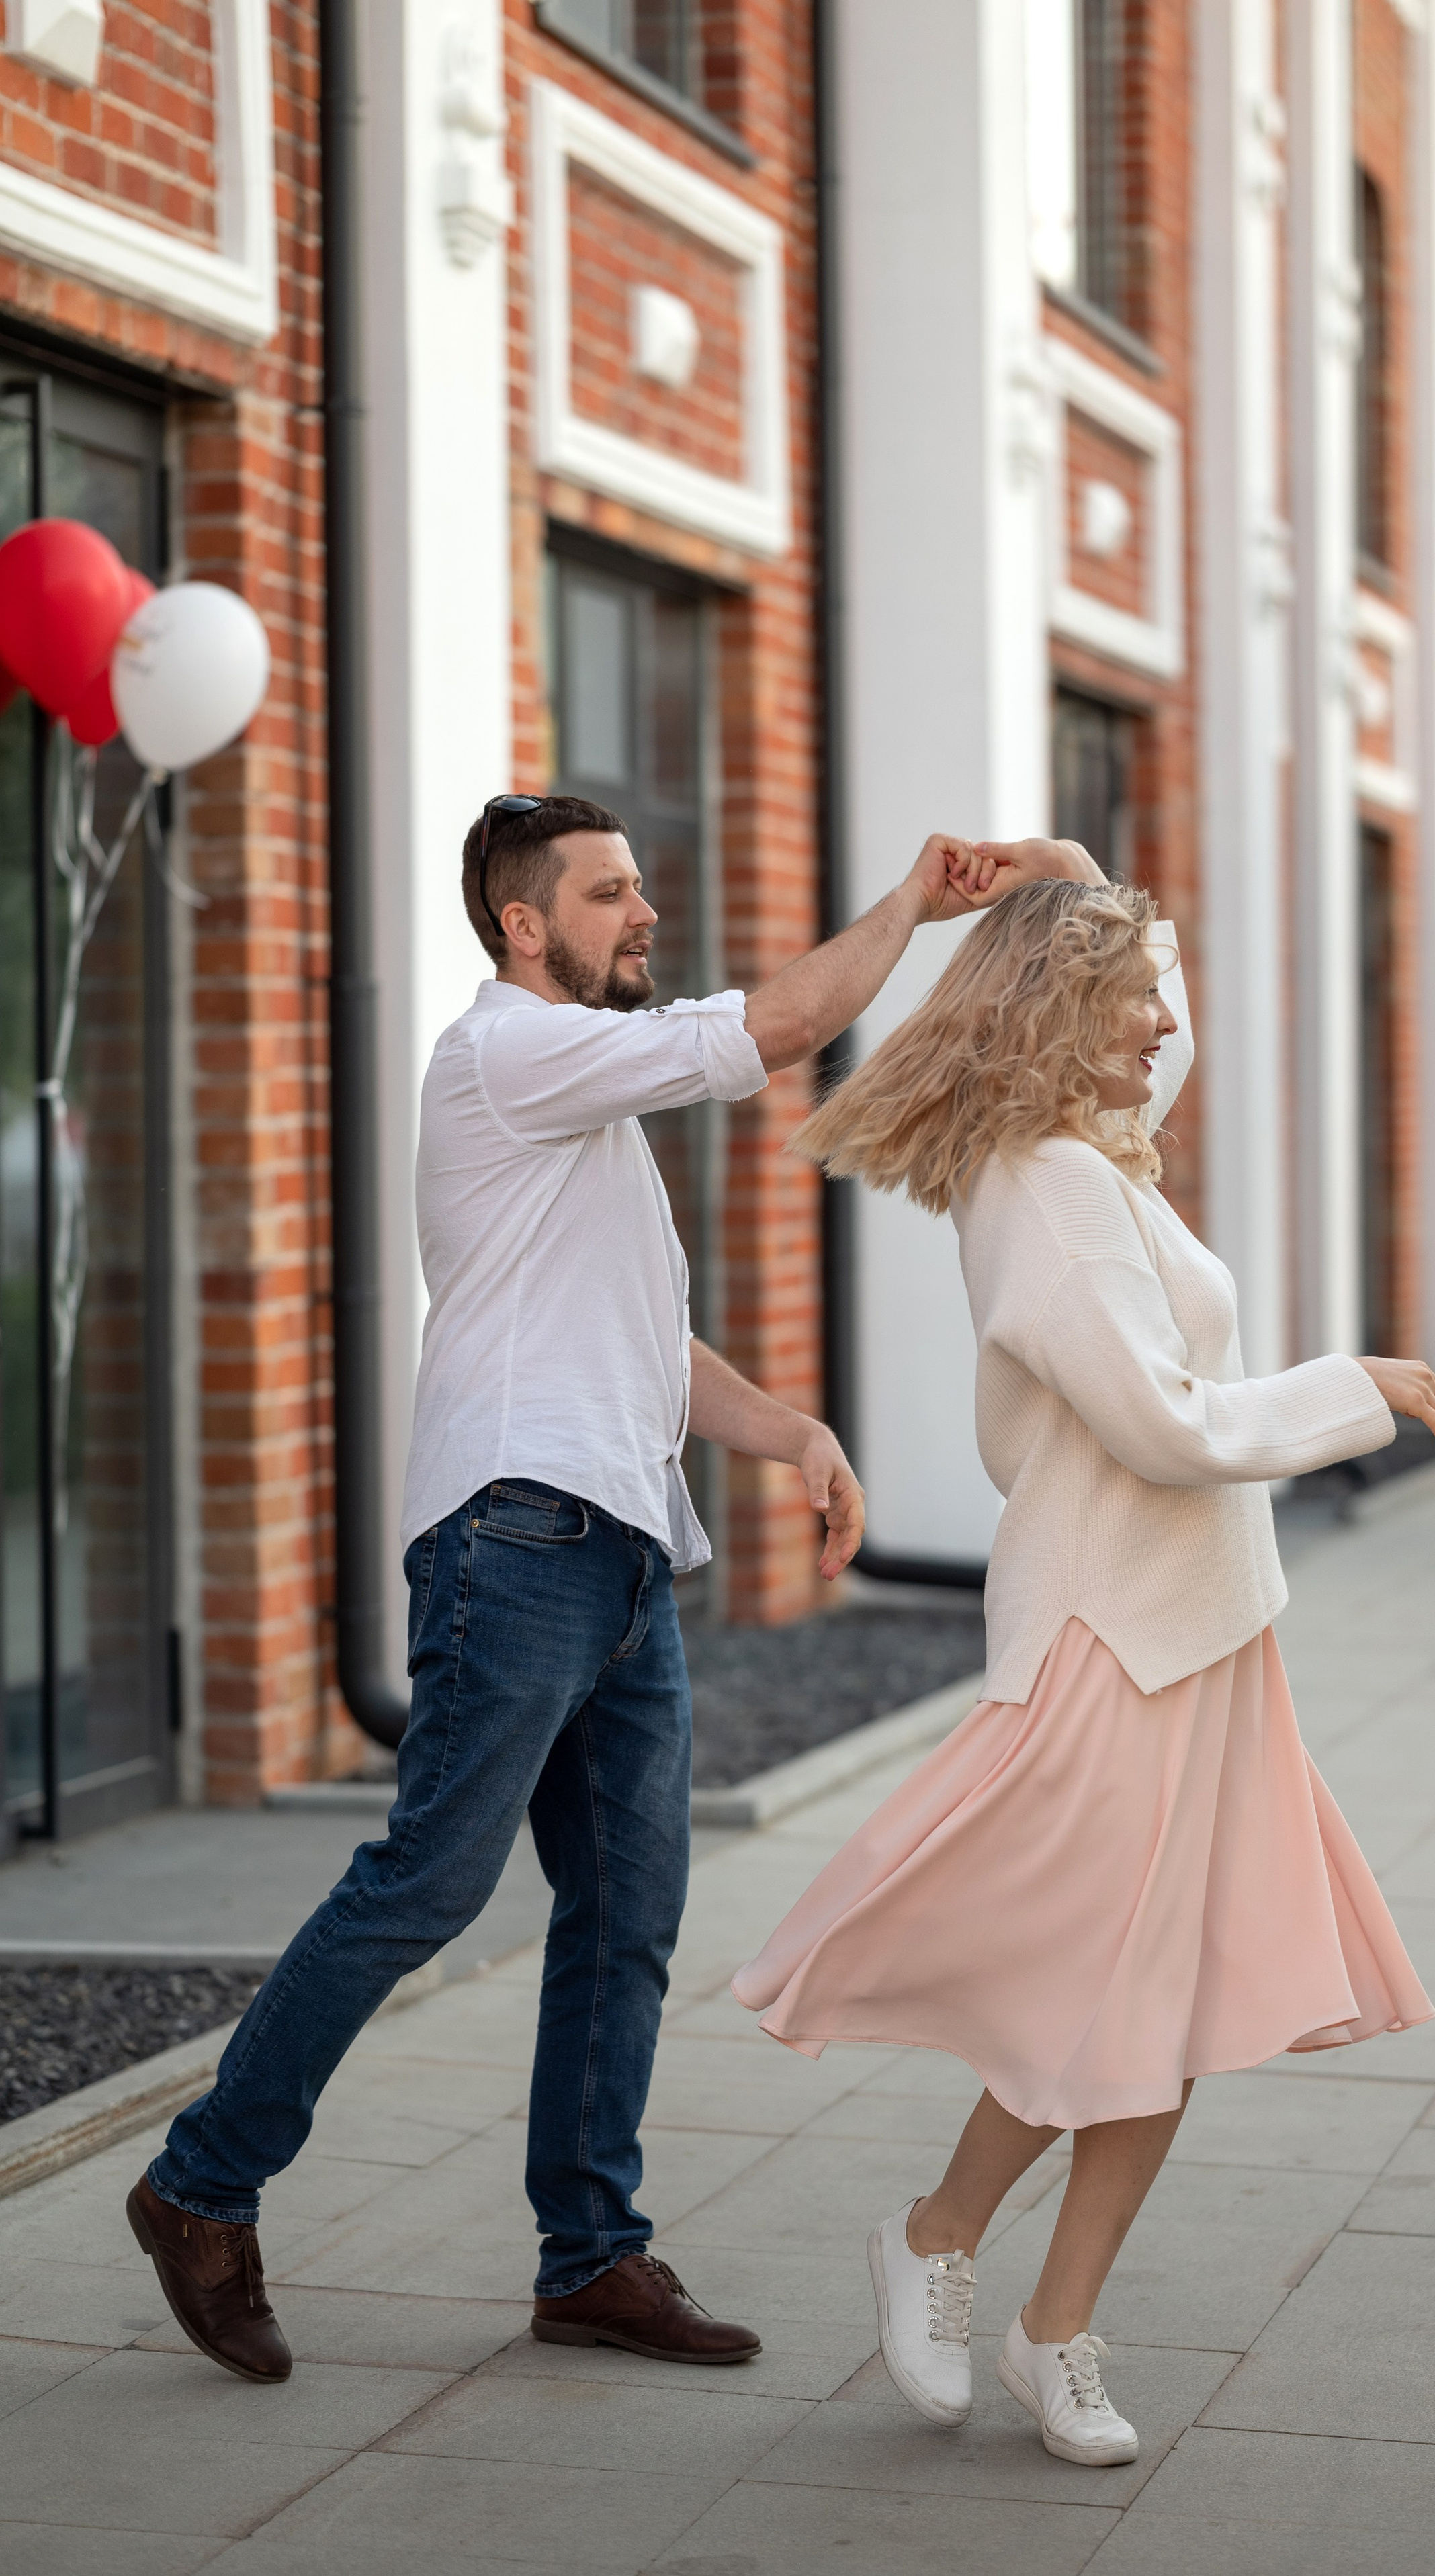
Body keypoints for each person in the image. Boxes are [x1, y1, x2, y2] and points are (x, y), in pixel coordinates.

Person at [124, 793, 1039, 2385]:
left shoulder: (583, 1109)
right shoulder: (508, 1053)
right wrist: (911, 902)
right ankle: (198, 2186)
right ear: (522, 925)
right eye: (609, 895)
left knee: (626, 1915)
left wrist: (790, 1431)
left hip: (617, 1546)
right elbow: (778, 1026)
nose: (642, 914)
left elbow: (643, 1349)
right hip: (516, 1535)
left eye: (641, 889)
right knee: (427, 1880)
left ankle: (591, 2255)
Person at [732, 840, 1435, 2467]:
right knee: (1091, 1988)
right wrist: (1360, 1385)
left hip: (1204, 1635)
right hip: (1106, 1636)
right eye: (1127, 1001)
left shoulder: (1095, 1148)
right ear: (1067, 1014)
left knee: (1167, 2002)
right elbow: (1160, 1422)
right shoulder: (1048, 1189)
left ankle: (1054, 2325)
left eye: (1148, 998)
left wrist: (1075, 874)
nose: (1157, 1030)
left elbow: (1161, 1026)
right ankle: (933, 2234)